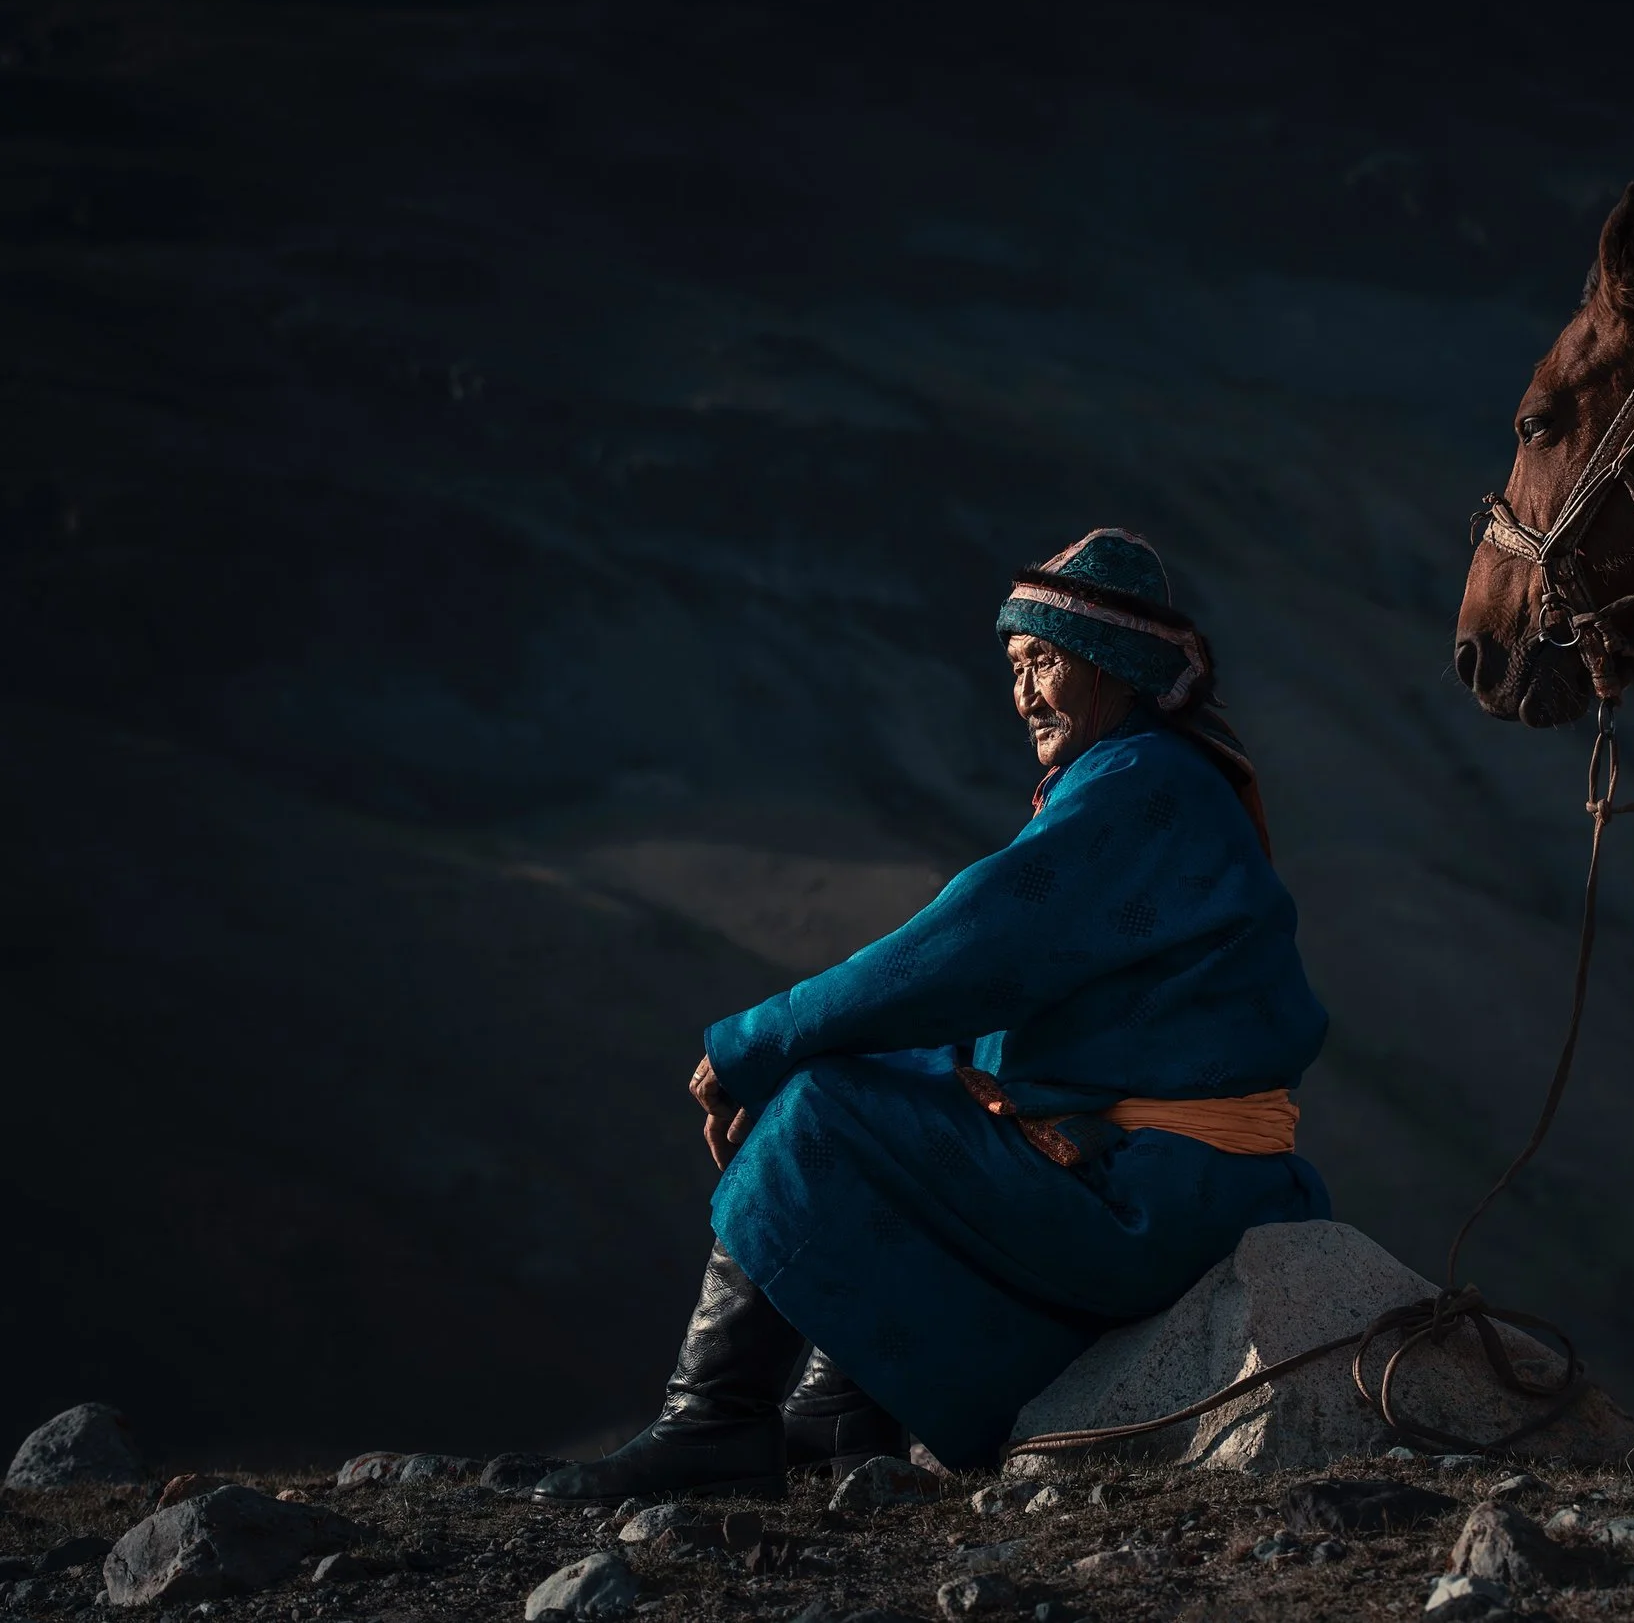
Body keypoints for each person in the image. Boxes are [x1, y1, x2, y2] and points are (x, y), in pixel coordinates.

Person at [533, 528, 1332, 1501]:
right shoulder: (1151, 779)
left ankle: (711, 1422)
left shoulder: (1140, 785)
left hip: (1159, 1195)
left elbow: (965, 950)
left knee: (821, 1106)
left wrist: (757, 1045)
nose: (1024, 693)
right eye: (1015, 666)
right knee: (896, 1094)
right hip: (1186, 1177)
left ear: (1110, 663)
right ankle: (838, 1411)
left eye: (1042, 661)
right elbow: (1008, 1009)